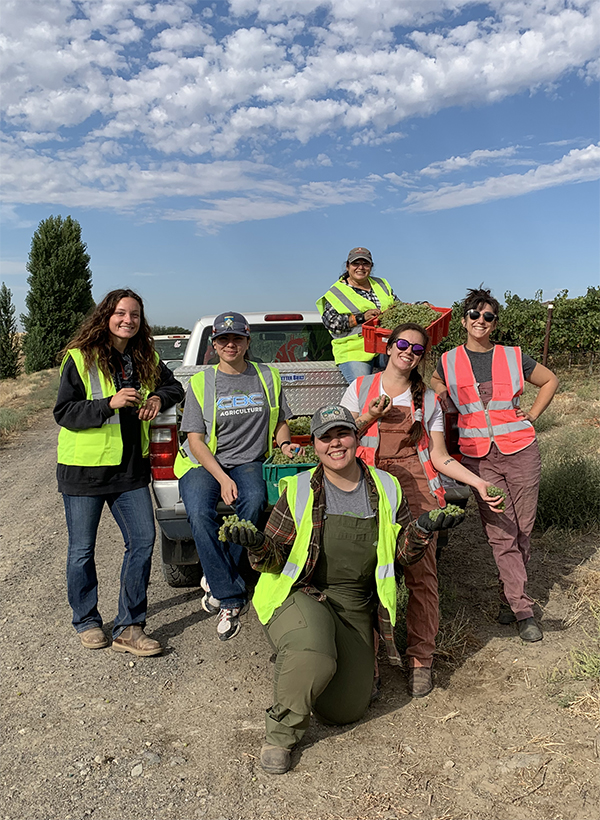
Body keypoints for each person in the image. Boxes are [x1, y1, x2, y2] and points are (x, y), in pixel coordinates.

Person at [222, 404, 465, 774]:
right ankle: (281, 733)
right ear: (315, 445)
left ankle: (307, 664)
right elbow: (273, 558)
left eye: (342, 434)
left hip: (354, 603)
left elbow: (401, 555)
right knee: (313, 654)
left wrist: (424, 529)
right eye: (325, 437)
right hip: (300, 594)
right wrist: (255, 543)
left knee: (345, 710)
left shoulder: (386, 487)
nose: (335, 444)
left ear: (356, 438)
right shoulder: (301, 489)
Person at [340, 322, 503, 697]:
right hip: (369, 487)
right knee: (366, 576)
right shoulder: (360, 388)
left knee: (421, 575)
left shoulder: (428, 399)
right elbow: (340, 442)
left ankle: (420, 660)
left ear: (421, 355)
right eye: (401, 343)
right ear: (388, 345)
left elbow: (441, 457)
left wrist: (477, 484)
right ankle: (369, 661)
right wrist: (369, 418)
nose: (407, 351)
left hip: (415, 489)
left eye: (416, 348)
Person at [54, 288, 184, 655]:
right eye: (121, 313)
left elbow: (172, 385)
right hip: (84, 472)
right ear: (106, 315)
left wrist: (159, 397)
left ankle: (130, 625)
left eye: (135, 315)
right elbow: (64, 413)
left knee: (143, 542)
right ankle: (87, 620)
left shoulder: (145, 356)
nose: (128, 320)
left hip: (129, 472)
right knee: (82, 550)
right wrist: (108, 404)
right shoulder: (80, 358)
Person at [431, 288, 559, 642]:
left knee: (523, 530)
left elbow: (550, 380)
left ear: (495, 323)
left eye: (487, 316)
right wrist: (444, 397)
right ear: (463, 320)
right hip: (478, 457)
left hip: (520, 449)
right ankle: (523, 610)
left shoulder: (513, 355)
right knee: (501, 531)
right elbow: (437, 385)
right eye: (474, 314)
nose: (480, 321)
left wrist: (531, 414)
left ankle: (510, 593)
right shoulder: (448, 359)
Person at [174, 311, 295, 641]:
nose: (230, 344)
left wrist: (284, 446)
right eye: (223, 339)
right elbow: (195, 440)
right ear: (213, 344)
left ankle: (217, 576)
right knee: (199, 513)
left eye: (237, 338)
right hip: (203, 464)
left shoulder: (267, 377)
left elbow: (282, 420)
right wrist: (223, 479)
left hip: (249, 462)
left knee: (254, 502)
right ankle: (230, 596)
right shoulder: (201, 382)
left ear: (247, 342)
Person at [317, 247, 397, 384]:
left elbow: (398, 307)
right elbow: (331, 323)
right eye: (356, 264)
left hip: (384, 346)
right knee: (364, 390)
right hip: (355, 352)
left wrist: (420, 305)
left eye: (365, 263)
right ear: (348, 266)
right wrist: (361, 317)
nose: (361, 267)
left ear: (371, 266)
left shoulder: (381, 284)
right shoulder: (337, 292)